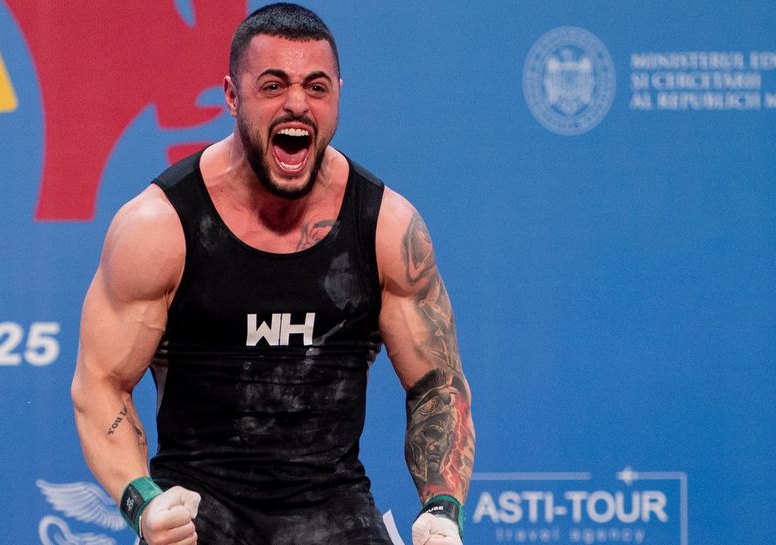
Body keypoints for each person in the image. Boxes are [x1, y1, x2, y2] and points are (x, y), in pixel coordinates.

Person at [71, 3, 475, 544]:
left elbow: (437, 386)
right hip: (196, 516)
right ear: (232, 96)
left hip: (336, 517)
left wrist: (443, 509)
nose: (297, 104)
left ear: (337, 96)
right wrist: (143, 503)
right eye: (273, 85)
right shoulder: (158, 228)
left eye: (316, 87)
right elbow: (101, 384)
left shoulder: (386, 228)